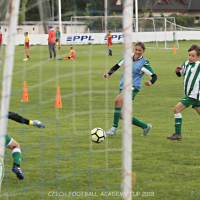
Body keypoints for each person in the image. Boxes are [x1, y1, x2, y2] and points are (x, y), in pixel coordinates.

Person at [103, 42, 157, 136]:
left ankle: (114, 128)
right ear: (133, 49)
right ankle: (145, 126)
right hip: (123, 86)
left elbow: (154, 75)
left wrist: (151, 82)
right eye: (136, 49)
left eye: (140, 50)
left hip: (133, 87)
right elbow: (117, 65)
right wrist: (108, 74)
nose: (137, 52)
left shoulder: (144, 63)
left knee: (117, 100)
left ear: (143, 51)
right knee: (121, 114)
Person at [167, 44, 200, 141]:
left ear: (198, 57)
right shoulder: (185, 63)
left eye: (193, 56)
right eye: (189, 55)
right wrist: (177, 70)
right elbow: (179, 74)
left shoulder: (198, 65)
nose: (190, 57)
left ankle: (178, 134)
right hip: (191, 95)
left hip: (193, 95)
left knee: (176, 109)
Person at [6, 112, 45, 179]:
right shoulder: (2, 109)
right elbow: (15, 117)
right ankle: (16, 166)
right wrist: (32, 122)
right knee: (15, 146)